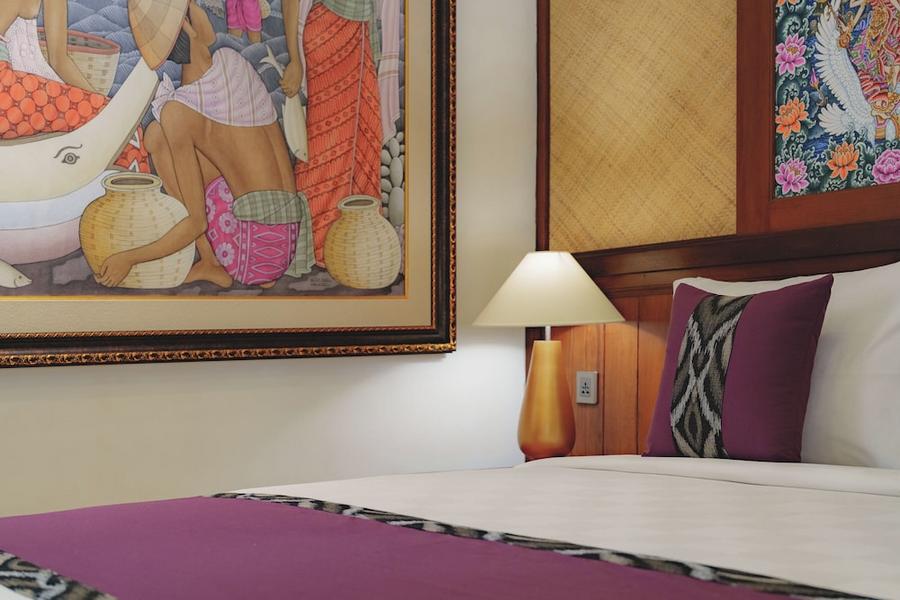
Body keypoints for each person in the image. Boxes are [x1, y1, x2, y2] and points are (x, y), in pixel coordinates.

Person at [97, 1, 313, 288]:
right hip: (287, 243)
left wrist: (130, 258)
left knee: (156, 138)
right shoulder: (232, 63)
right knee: (164, 135)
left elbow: (196, 223)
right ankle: (219, 263)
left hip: (252, 257)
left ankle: (211, 262)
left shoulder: (181, 112)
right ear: (188, 26)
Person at [280, 0, 383, 267]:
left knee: (365, 134)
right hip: (328, 34)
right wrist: (295, 60)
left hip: (358, 32)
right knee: (325, 144)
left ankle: (357, 239)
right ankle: (317, 244)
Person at [0, 0, 109, 139]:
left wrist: (100, 101)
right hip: (11, 92)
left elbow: (59, 61)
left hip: (19, 91)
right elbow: (59, 61)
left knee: (103, 114)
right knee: (105, 116)